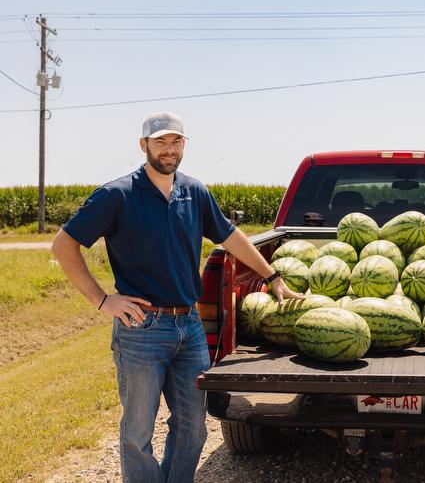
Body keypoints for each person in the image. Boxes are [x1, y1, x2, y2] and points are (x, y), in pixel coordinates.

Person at [51, 112, 302, 483]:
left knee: (194, 426)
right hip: (141, 329)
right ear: (144, 146)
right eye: (160, 142)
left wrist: (272, 275)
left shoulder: (194, 191)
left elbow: (230, 237)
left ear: (184, 145)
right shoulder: (116, 194)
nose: (169, 150)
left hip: (190, 325)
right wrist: (103, 301)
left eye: (176, 142)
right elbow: (63, 245)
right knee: (138, 432)